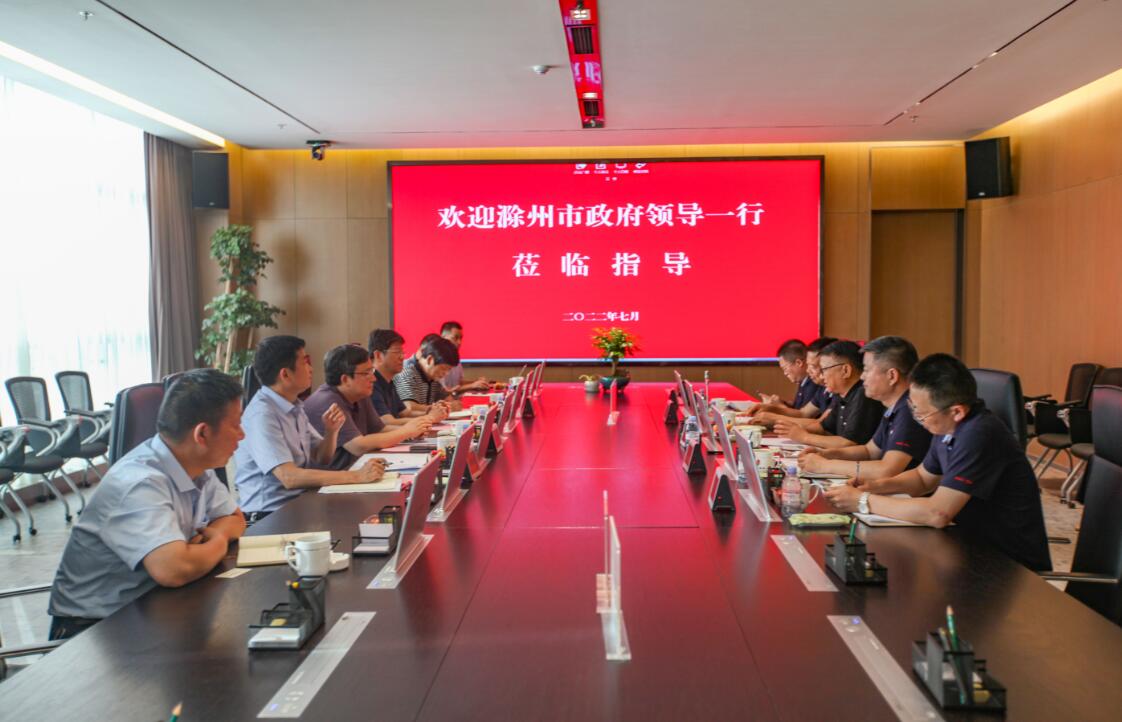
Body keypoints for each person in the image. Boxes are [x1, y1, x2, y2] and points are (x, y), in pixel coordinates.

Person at [47, 369, 248, 640]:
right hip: (93, 631)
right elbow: (173, 569)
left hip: (152, 606)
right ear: (201, 434)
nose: (242, 435)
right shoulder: (140, 482)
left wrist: (206, 543)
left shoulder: (196, 466)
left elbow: (235, 519)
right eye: (236, 425)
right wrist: (219, 543)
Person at [824, 353, 1051, 571]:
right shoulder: (947, 425)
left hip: (1006, 564)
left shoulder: (978, 433)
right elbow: (922, 478)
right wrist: (873, 486)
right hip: (965, 545)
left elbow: (938, 513)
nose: (918, 419)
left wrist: (862, 501)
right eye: (913, 408)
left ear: (956, 411)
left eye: (921, 414)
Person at [235, 335, 385, 521]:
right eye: (304, 362)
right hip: (270, 516)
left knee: (371, 511)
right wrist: (356, 476)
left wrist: (331, 432)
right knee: (360, 519)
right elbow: (289, 477)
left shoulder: (294, 405)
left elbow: (322, 457)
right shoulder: (262, 415)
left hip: (301, 502)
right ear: (285, 374)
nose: (311, 368)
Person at [800, 336, 932, 481]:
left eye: (867, 370)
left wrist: (824, 465)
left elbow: (887, 470)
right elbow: (869, 451)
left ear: (892, 376)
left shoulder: (909, 410)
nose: (862, 376)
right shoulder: (893, 407)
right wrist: (827, 454)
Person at [304, 343, 433, 463]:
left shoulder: (360, 393)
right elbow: (358, 446)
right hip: (333, 476)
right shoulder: (328, 401)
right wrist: (406, 432)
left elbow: (380, 429)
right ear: (345, 379)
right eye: (366, 373)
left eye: (372, 371)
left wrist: (413, 431)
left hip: (358, 466)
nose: (373, 378)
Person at [773, 340, 884, 448]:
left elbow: (849, 443)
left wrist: (803, 436)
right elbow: (824, 428)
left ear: (845, 370)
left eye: (824, 370)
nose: (821, 376)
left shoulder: (863, 394)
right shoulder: (841, 394)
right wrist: (792, 429)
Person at [368, 328, 446, 426]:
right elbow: (387, 422)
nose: (402, 357)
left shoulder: (389, 381)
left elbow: (405, 413)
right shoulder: (371, 383)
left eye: (402, 352)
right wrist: (430, 418)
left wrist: (430, 412)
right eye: (397, 352)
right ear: (378, 355)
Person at [752, 336, 837, 425]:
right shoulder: (822, 388)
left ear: (844, 370)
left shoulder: (820, 386)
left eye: (814, 366)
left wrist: (775, 415)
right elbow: (803, 413)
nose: (808, 371)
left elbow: (820, 425)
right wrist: (770, 408)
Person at [395, 334, 463, 414]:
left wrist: (452, 404)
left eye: (449, 370)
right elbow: (409, 407)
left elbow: (449, 399)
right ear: (430, 360)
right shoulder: (406, 372)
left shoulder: (432, 377)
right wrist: (441, 408)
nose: (446, 373)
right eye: (444, 369)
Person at [439, 321, 492, 395]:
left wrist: (476, 382)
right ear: (443, 338)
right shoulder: (438, 360)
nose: (459, 342)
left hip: (456, 401)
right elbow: (443, 392)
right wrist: (472, 386)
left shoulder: (455, 358)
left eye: (461, 338)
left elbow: (459, 382)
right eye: (455, 338)